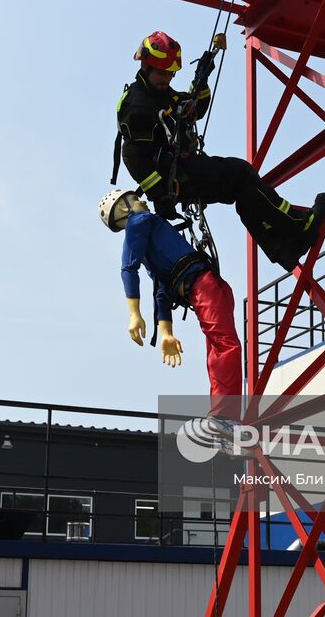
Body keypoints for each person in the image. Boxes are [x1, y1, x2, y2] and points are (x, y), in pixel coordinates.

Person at [113, 30, 325, 272]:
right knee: (240, 173)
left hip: (180, 170)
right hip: (173, 180)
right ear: (145, 66)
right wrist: (159, 195)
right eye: (162, 73)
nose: (167, 79)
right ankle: (297, 228)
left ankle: (281, 247)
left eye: (170, 74)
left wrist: (201, 79)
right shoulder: (139, 105)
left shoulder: (158, 93)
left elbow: (193, 108)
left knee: (243, 188)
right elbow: (133, 157)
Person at [98, 188, 241, 452]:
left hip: (202, 286)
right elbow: (128, 268)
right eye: (134, 199)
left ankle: (224, 424)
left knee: (217, 347)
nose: (142, 200)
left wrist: (165, 331)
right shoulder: (139, 221)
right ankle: (223, 419)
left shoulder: (151, 242)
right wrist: (134, 314)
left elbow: (162, 289)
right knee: (225, 345)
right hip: (202, 285)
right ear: (125, 209)